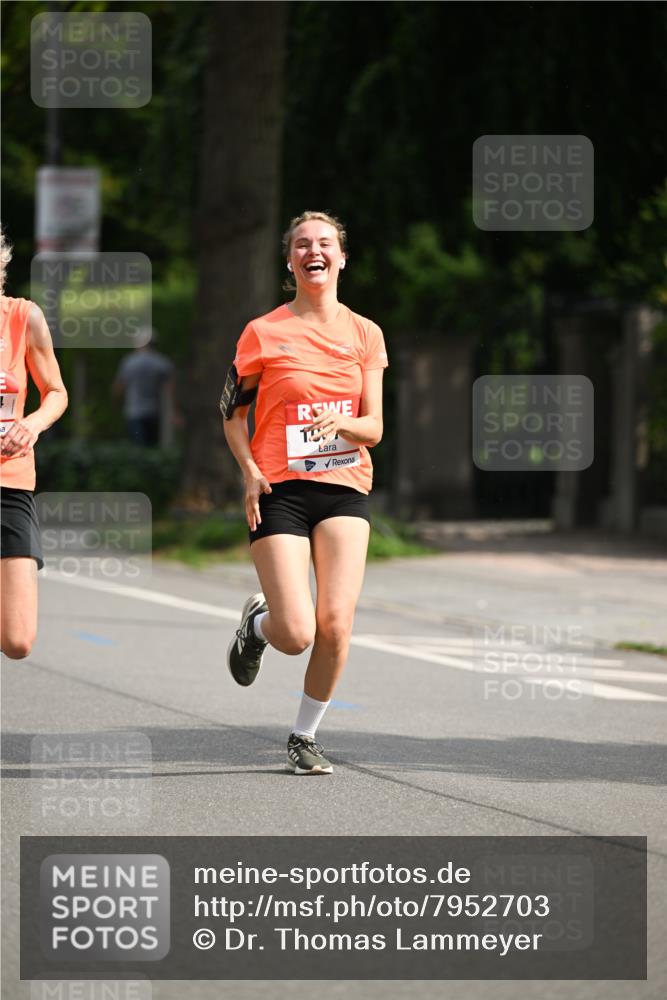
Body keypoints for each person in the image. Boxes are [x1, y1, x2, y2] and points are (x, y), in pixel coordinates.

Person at [222, 210, 388, 774]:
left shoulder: (366, 333)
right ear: (289, 260)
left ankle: (303, 736)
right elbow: (231, 415)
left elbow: (375, 427)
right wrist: (247, 468)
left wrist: (338, 426)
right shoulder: (262, 332)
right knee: (296, 633)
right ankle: (257, 626)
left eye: (324, 243)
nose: (312, 251)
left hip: (343, 486)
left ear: (341, 257)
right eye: (300, 244)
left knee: (336, 623)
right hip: (280, 489)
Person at [0, 226, 68, 659]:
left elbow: (56, 392)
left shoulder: (24, 317)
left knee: (19, 640)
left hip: (11, 480)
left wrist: (34, 424)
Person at [112, 328, 176, 446]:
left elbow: (119, 388)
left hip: (133, 412)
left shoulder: (129, 362)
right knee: (151, 448)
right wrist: (174, 412)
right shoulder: (162, 363)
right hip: (154, 412)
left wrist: (115, 406)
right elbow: (170, 390)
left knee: (137, 449)